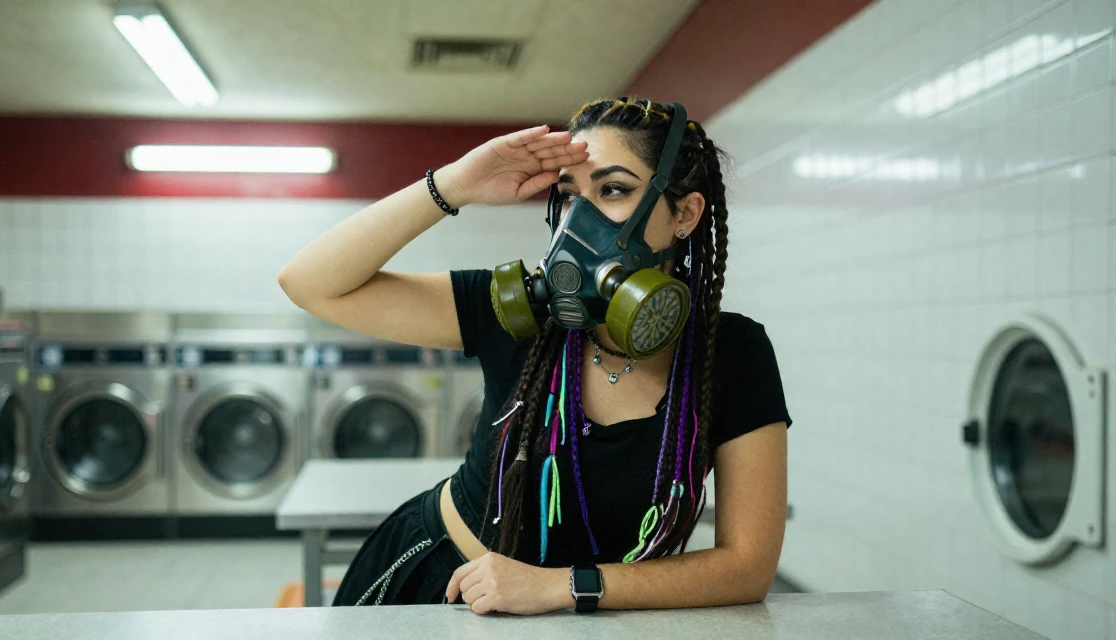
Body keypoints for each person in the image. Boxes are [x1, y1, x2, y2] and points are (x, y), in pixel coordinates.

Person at [278, 97, 791, 615]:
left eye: (613, 189)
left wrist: (566, 587)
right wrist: (454, 185)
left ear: (685, 213)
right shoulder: (518, 312)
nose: (580, 220)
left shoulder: (730, 353)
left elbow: (747, 565)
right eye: (570, 196)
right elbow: (310, 283)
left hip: (588, 612)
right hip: (439, 587)